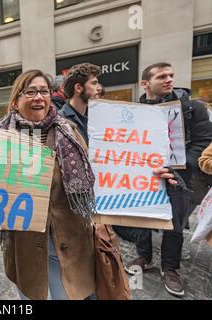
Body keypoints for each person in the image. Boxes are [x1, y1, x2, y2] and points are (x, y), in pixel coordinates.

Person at [0, 69, 98, 300]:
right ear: (15, 100)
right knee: (32, 294)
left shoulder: (69, 132)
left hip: (69, 239)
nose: (39, 97)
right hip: (25, 242)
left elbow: (94, 174)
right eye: (30, 92)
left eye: (44, 91)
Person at [124, 62, 212, 297]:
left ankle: (170, 268)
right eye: (162, 76)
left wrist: (178, 169)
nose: (169, 79)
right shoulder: (134, 113)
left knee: (173, 224)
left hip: (178, 178)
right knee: (142, 216)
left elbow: (203, 143)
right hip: (144, 178)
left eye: (171, 75)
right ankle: (145, 256)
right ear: (145, 84)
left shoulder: (193, 108)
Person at [57, 63, 103, 144]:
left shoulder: (97, 117)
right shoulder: (61, 120)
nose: (99, 88)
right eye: (94, 83)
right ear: (78, 88)